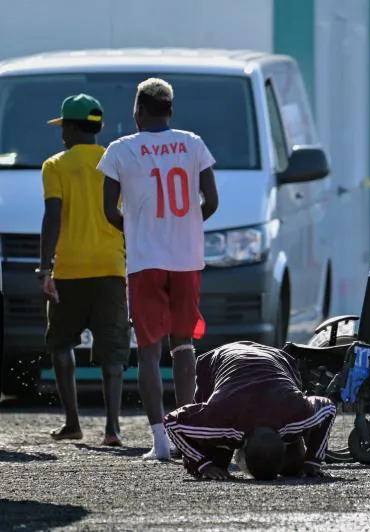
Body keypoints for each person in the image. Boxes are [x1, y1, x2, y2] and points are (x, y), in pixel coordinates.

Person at [99, 78, 219, 460]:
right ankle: (188, 434)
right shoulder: (193, 144)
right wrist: (183, 227)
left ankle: (160, 443)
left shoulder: (121, 150)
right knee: (184, 347)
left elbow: (108, 211)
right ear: (170, 110)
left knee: (149, 353)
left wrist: (139, 229)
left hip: (145, 261)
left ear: (137, 111)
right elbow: (211, 201)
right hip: (186, 260)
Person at [37, 94, 129, 446]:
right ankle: (113, 429)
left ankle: (73, 423)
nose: (62, 135)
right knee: (113, 354)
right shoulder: (115, 161)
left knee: (60, 343)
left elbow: (52, 216)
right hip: (111, 269)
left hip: (70, 272)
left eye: (64, 127)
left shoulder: (55, 165)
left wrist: (45, 268)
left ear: (73, 128)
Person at [164, 341, 336, 480]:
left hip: (277, 358)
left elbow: (329, 408)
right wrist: (202, 464)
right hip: (218, 359)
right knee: (209, 463)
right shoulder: (221, 417)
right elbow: (171, 422)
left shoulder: (296, 413)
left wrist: (313, 462)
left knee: (295, 466)